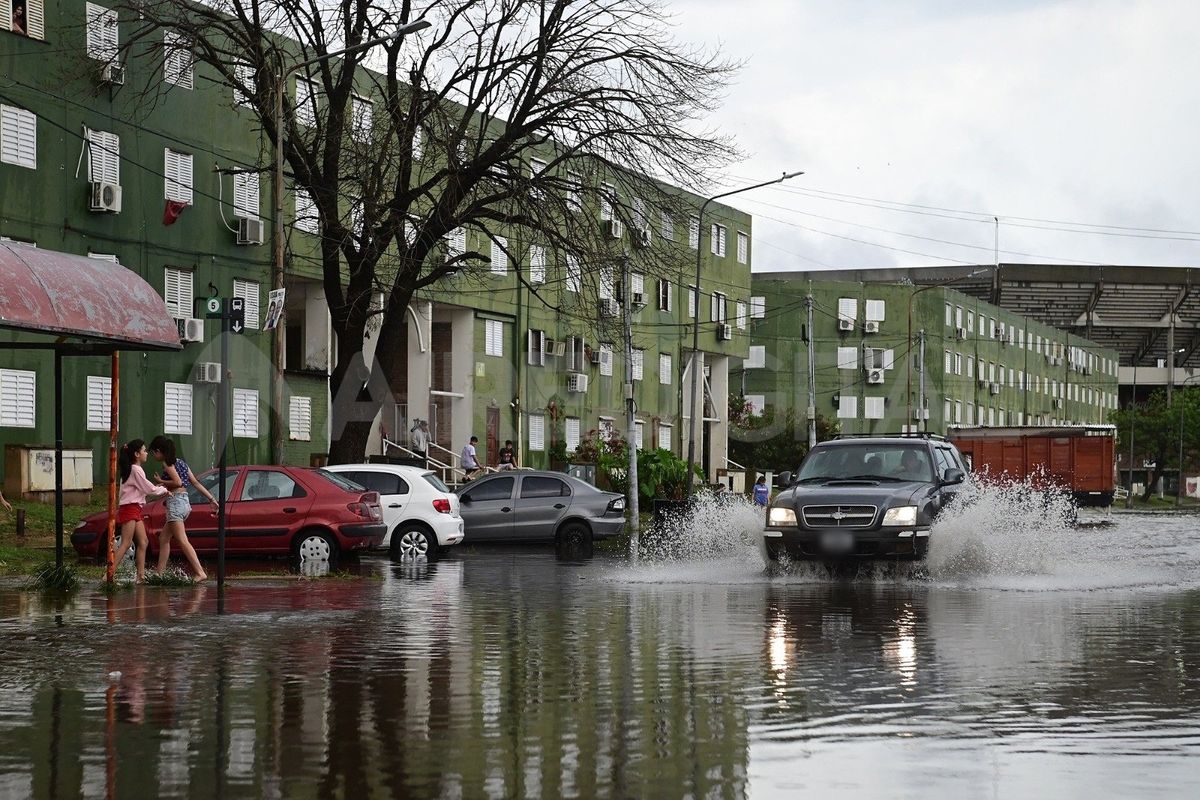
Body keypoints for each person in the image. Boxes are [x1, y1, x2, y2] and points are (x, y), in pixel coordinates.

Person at [148, 435, 215, 581]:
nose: (153, 456)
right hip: (185, 503)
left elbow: (177, 482)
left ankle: (199, 572)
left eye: (154, 453)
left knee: (182, 540)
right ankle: (159, 573)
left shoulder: (167, 463)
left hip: (176, 503)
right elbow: (195, 483)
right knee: (164, 538)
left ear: (159, 451)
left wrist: (161, 481)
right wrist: (211, 498)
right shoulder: (181, 463)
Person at [114, 439, 168, 583]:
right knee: (126, 543)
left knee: (143, 542)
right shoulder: (136, 469)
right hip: (130, 508)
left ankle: (140, 576)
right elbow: (148, 489)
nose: (146, 454)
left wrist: (160, 488)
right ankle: (109, 573)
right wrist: (164, 489)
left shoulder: (131, 469)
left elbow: (145, 487)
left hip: (135, 508)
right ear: (137, 454)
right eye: (144, 451)